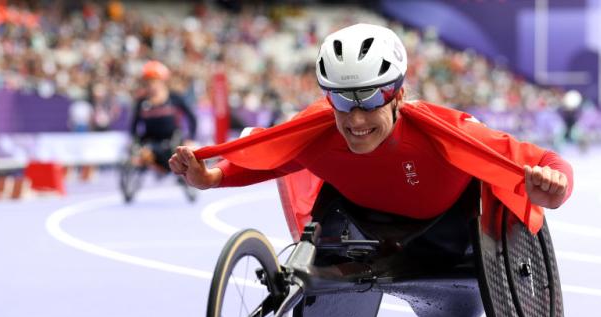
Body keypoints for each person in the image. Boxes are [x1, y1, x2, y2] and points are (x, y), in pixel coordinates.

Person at [171, 24, 572, 250]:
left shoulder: (443, 131)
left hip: (453, 231)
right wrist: (210, 177)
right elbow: (268, 154)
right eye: (342, 101)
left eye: (371, 99)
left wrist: (553, 189)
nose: (356, 118)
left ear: (396, 94)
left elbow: (549, 163)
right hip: (369, 233)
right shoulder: (318, 129)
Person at [130, 60, 197, 174]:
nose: (151, 85)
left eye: (154, 81)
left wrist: (190, 138)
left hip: (172, 139)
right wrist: (136, 143)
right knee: (143, 153)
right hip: (151, 141)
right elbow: (134, 126)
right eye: (148, 82)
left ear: (162, 80)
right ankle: (155, 165)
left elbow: (192, 118)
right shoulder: (141, 102)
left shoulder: (174, 98)